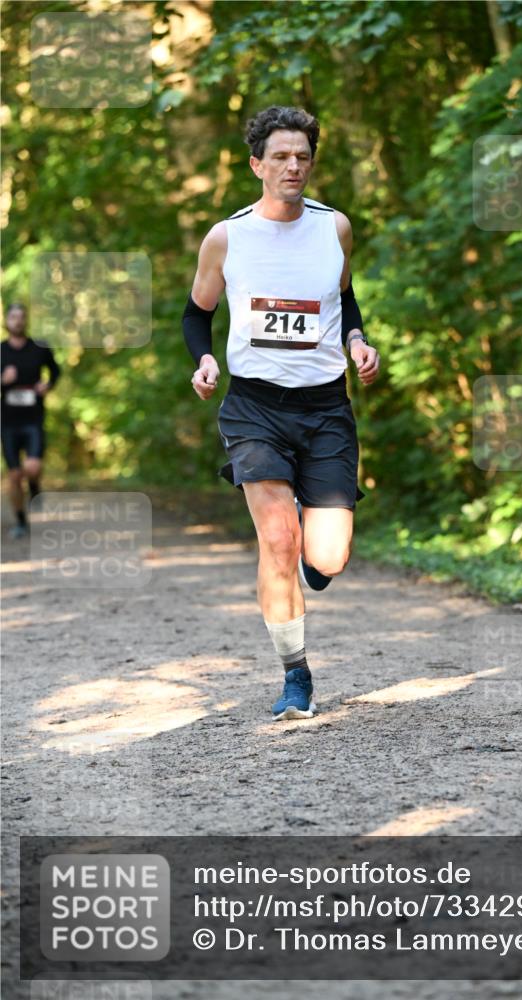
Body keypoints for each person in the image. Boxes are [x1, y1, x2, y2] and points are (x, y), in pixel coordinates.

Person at [183, 105, 380, 721]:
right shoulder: (228, 237)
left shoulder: (335, 228)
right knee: (276, 539)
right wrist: (205, 360)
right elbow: (196, 314)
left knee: (327, 559)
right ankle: (296, 677)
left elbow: (345, 300)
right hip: (255, 406)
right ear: (256, 165)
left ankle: (312, 544)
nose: (293, 166)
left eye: (302, 157)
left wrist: (356, 343)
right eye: (281, 157)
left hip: (325, 407)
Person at [1, 303, 60, 539]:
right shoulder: (1, 351)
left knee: (32, 467)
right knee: (15, 475)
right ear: (6, 321)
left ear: (26, 321)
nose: (18, 321)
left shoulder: (39, 348)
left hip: (34, 418)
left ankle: (35, 487)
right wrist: (3, 381)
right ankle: (21, 522)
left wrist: (48, 385)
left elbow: (55, 371)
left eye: (21, 317)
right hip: (7, 421)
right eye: (13, 317)